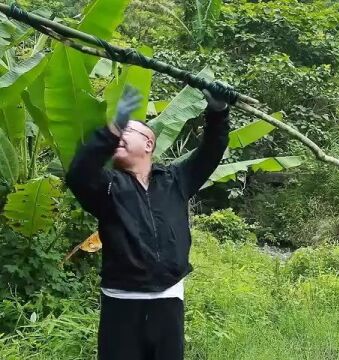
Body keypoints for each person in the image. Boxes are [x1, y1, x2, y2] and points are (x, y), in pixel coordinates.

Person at [65, 85, 230, 360]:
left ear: (148, 144)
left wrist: (219, 112)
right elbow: (78, 172)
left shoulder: (176, 179)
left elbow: (211, 150)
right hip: (121, 304)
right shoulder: (107, 186)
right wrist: (111, 131)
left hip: (168, 302)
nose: (119, 134)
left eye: (127, 131)